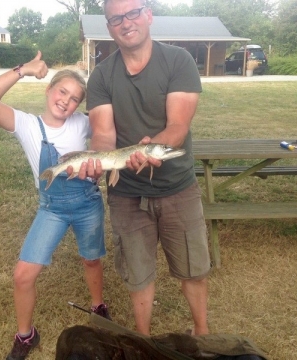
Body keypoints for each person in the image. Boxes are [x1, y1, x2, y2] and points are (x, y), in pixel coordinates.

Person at [73, 0, 211, 336]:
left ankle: (203, 332)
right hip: (127, 194)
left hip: (177, 187)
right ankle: (143, 339)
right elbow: (104, 135)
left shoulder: (178, 61)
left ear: (148, 15)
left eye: (133, 13)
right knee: (138, 272)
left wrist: (150, 148)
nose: (126, 22)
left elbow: (178, 126)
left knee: (193, 269)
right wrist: (98, 160)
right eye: (116, 18)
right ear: (109, 27)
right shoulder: (102, 76)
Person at [0, 51, 111, 360]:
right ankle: (26, 336)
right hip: (51, 207)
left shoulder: (83, 123)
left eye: (75, 98)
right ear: (49, 90)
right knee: (23, 274)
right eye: (62, 91)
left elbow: (108, 134)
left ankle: (98, 305)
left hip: (87, 202)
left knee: (91, 260)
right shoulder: (25, 124)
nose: (66, 101)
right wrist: (21, 70)